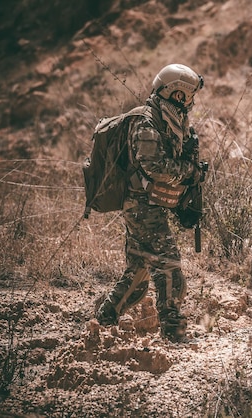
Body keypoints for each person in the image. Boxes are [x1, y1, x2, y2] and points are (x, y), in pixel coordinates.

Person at [95, 63, 204, 342]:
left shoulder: (165, 120)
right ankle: (173, 330)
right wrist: (188, 170)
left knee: (138, 272)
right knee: (168, 267)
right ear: (173, 92)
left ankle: (103, 321)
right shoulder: (146, 121)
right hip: (142, 206)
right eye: (185, 96)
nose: (188, 103)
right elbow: (154, 167)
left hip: (146, 205)